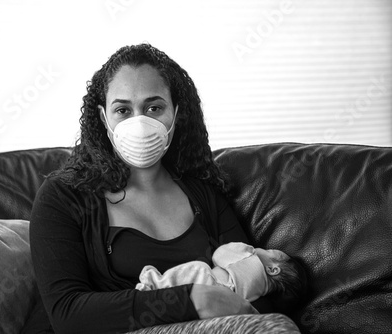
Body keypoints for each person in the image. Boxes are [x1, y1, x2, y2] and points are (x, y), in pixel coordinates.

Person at [30, 43, 272, 334]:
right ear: (104, 119)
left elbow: (257, 279)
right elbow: (68, 314)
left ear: (176, 113)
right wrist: (192, 298)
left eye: (154, 108)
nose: (139, 123)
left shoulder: (203, 192)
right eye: (122, 110)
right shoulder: (62, 196)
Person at [136, 242, 307, 310]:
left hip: (212, 284)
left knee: (200, 268)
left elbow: (220, 254)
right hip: (219, 303)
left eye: (270, 251)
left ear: (273, 269)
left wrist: (249, 250)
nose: (264, 248)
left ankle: (152, 285)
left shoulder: (253, 262)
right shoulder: (259, 292)